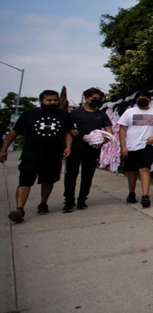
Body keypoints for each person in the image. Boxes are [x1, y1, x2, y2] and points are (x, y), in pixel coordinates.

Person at [1, 90, 73, 223]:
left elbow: (67, 132)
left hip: (53, 155)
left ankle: (43, 203)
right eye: (48, 100)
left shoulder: (64, 115)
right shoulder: (29, 114)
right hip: (31, 155)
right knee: (25, 181)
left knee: (48, 181)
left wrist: (68, 147)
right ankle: (19, 208)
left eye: (54, 100)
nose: (52, 103)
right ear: (41, 101)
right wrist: (4, 149)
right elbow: (14, 132)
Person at [63, 87, 113, 212]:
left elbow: (109, 131)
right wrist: (69, 144)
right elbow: (67, 131)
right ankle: (69, 201)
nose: (97, 100)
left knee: (88, 175)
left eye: (99, 99)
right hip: (75, 149)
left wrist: (103, 139)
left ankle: (82, 200)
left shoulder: (101, 115)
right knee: (71, 175)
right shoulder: (75, 113)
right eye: (94, 98)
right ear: (86, 98)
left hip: (92, 150)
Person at [118, 91, 153, 208]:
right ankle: (131, 193)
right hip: (131, 146)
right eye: (139, 97)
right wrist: (123, 146)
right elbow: (122, 129)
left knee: (144, 169)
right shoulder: (129, 112)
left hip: (147, 146)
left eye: (144, 97)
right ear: (136, 99)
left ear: (149, 100)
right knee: (132, 171)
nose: (141, 98)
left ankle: (145, 196)